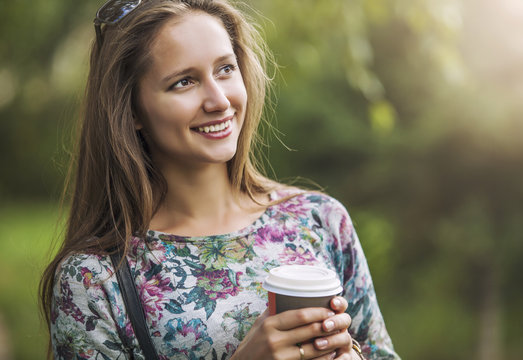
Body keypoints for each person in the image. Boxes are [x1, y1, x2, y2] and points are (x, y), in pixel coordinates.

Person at [40, 0, 400, 359]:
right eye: (184, 82)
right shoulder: (92, 279)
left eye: (225, 69)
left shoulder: (320, 221)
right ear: (132, 110)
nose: (219, 100)